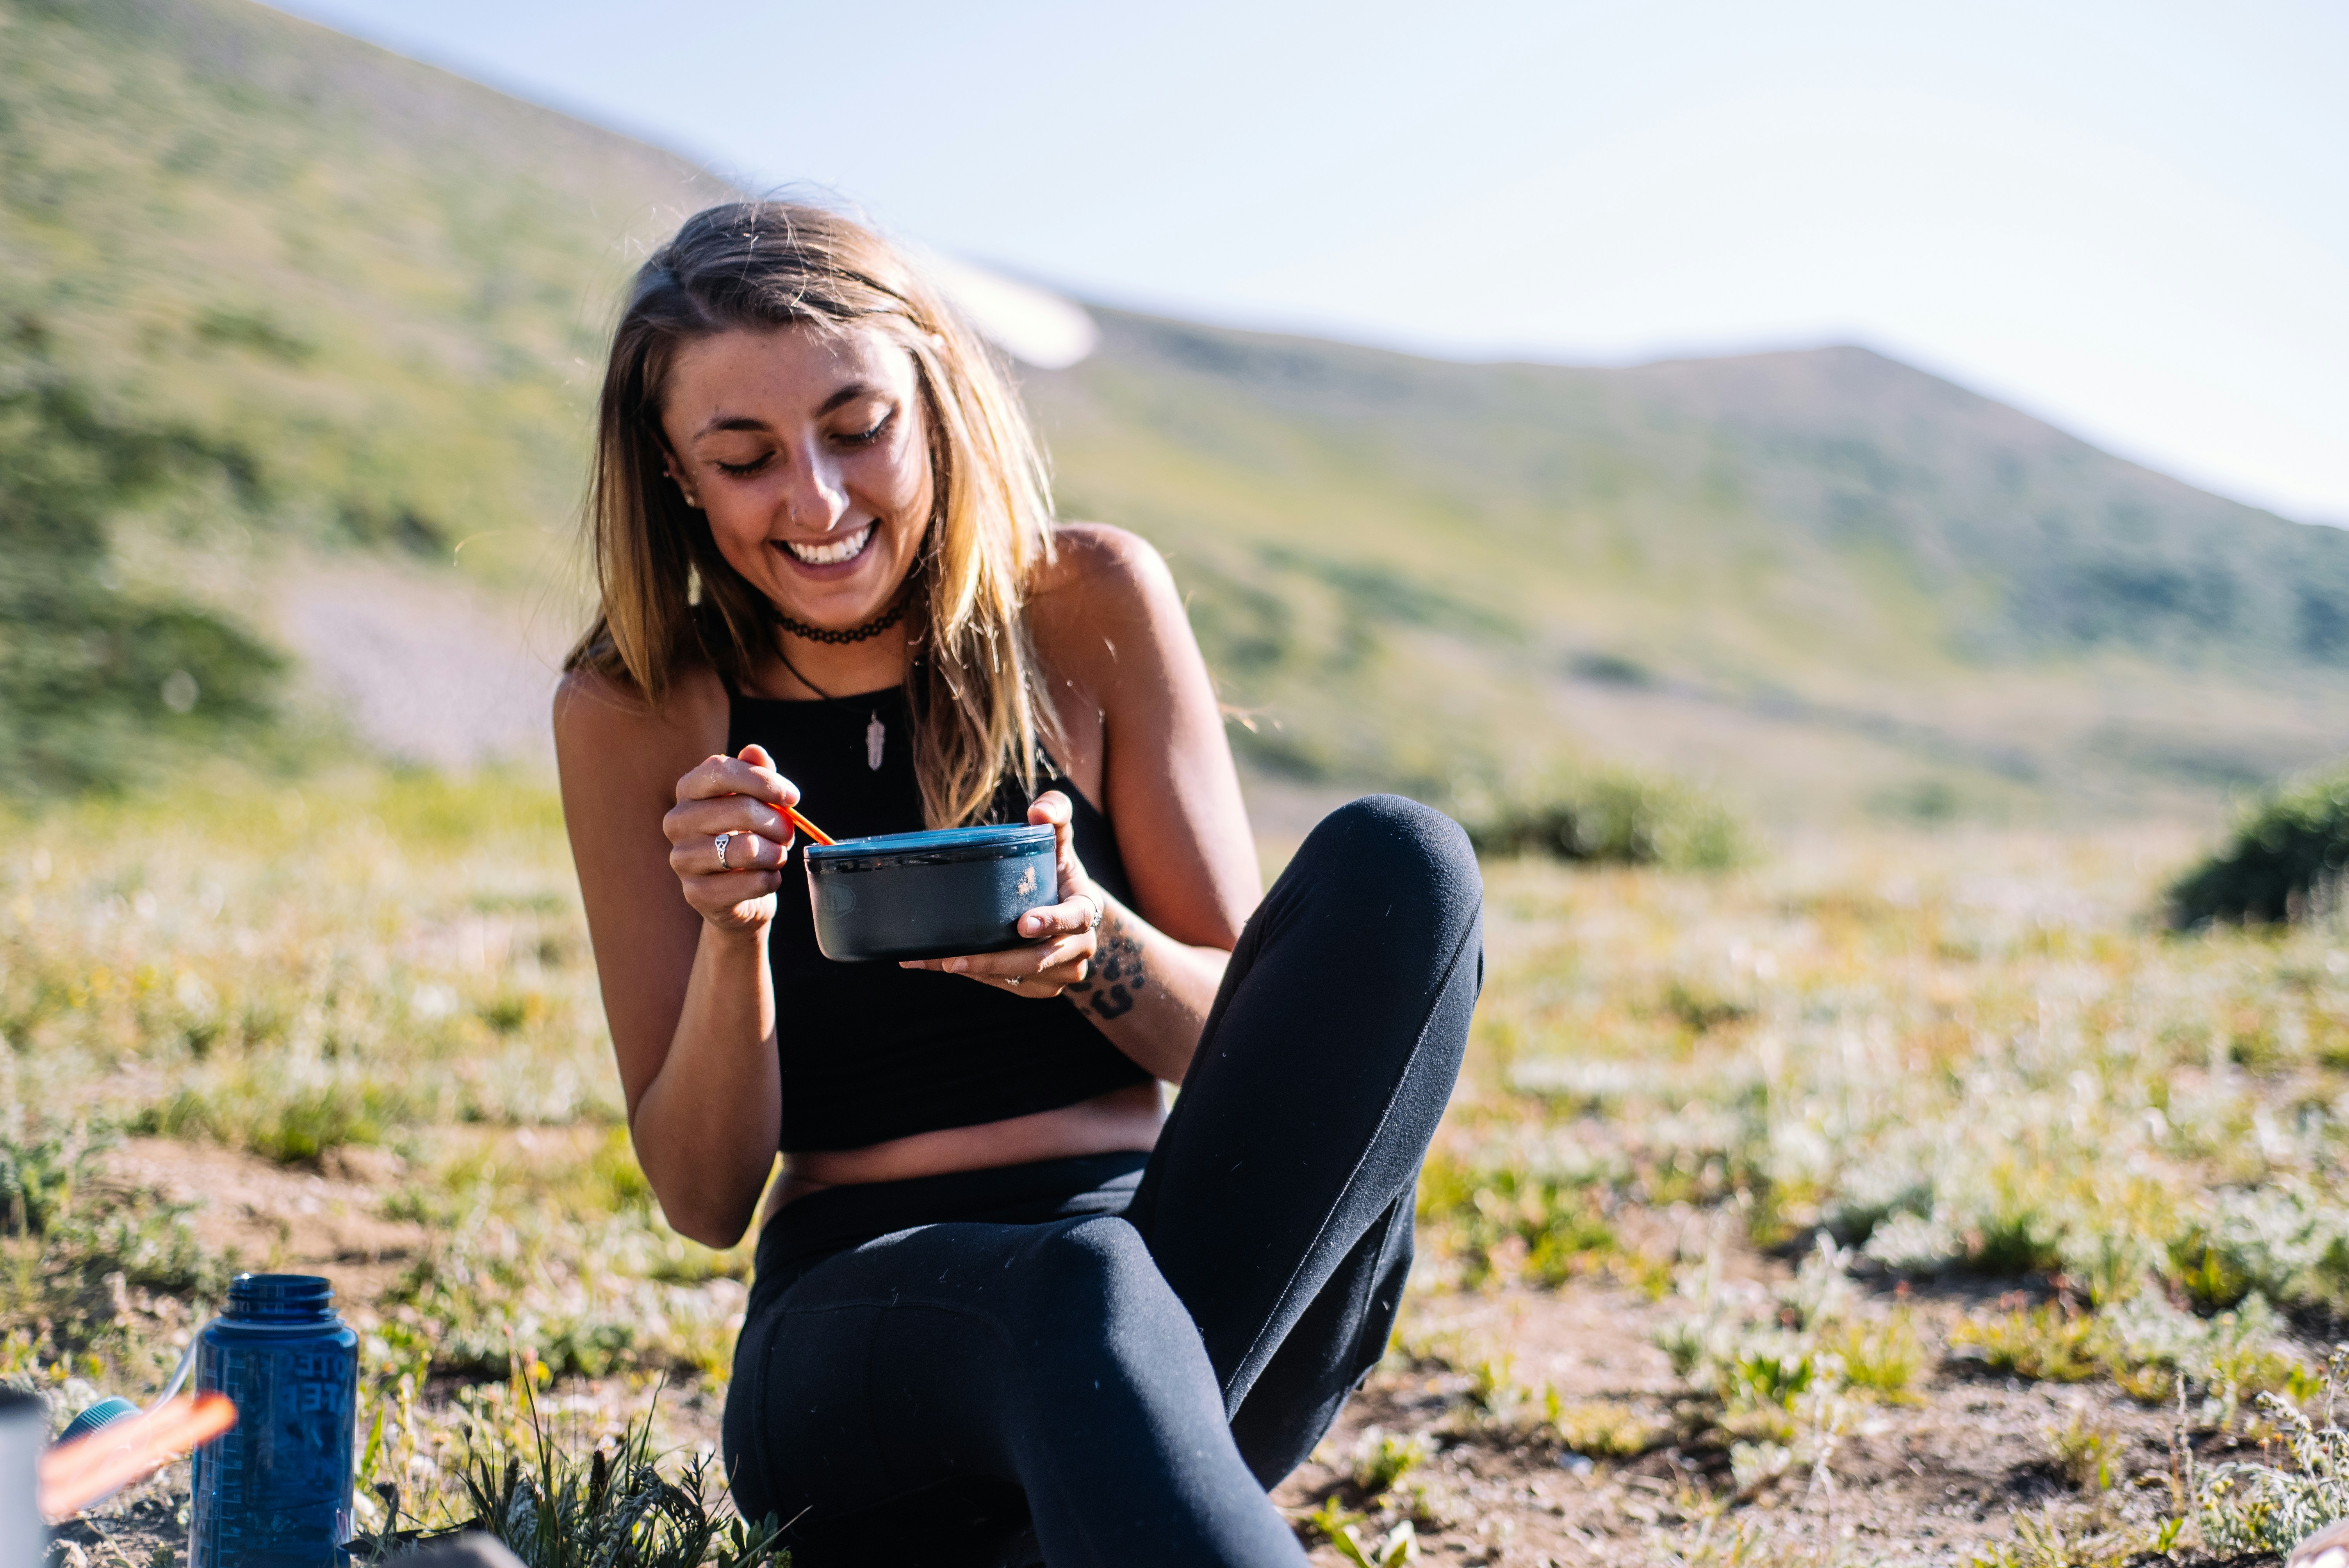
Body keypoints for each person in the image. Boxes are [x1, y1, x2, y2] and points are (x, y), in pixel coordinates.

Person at [553, 201, 1483, 1568]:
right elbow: (702, 1195)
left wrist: (1095, 948)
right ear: (677, 479)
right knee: (1077, 1292)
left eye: (858, 429)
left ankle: (1087, 1517)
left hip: (1189, 1279)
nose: (815, 501)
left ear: (935, 403)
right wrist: (731, 932)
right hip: (860, 1346)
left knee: (1403, 868)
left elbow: (1250, 1052)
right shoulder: (637, 707)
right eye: (744, 459)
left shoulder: (1086, 604)